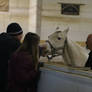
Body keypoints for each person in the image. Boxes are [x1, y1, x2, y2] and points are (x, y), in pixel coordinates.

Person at [0, 22, 23, 91]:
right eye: (21, 34)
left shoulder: (2, 40)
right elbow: (26, 52)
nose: (22, 36)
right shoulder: (14, 44)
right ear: (17, 35)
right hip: (4, 78)